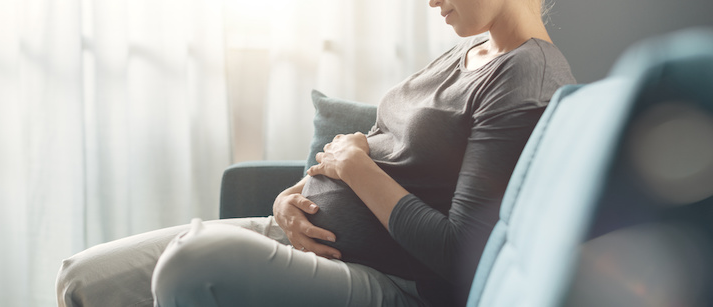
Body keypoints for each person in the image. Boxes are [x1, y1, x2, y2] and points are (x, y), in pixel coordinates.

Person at [55, 0, 575, 305]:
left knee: (192, 263)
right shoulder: (469, 49)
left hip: (390, 279)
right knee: (80, 278)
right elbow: (378, 143)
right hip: (298, 233)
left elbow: (462, 254)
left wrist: (354, 167)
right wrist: (290, 197)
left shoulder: (527, 76)